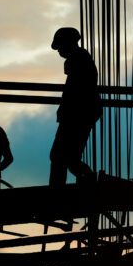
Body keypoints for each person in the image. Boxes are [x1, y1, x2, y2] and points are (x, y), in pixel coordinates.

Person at [49, 27, 102, 187]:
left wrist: (65, 112)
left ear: (68, 43)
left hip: (77, 115)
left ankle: (60, 190)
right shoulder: (81, 59)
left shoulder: (78, 59)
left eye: (60, 46)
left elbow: (75, 92)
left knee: (61, 157)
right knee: (66, 157)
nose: (59, 51)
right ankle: (87, 181)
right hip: (79, 114)